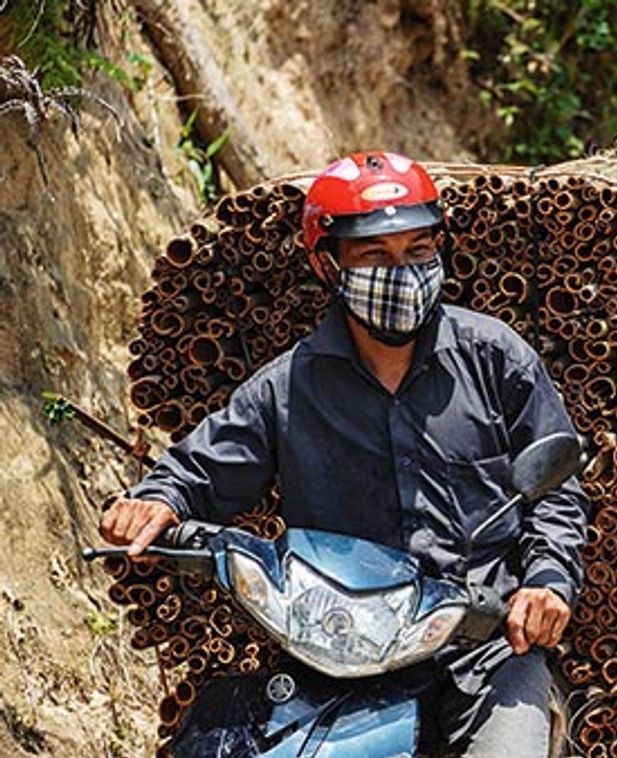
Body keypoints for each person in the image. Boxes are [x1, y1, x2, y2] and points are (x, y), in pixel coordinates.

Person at [99, 151, 590, 755]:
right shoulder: (288, 387)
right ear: (327, 262)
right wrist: (156, 500)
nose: (403, 271)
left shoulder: (496, 360)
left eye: (418, 250)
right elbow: (199, 468)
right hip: (335, 655)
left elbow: (556, 493)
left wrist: (546, 583)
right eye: (375, 254)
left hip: (483, 657)